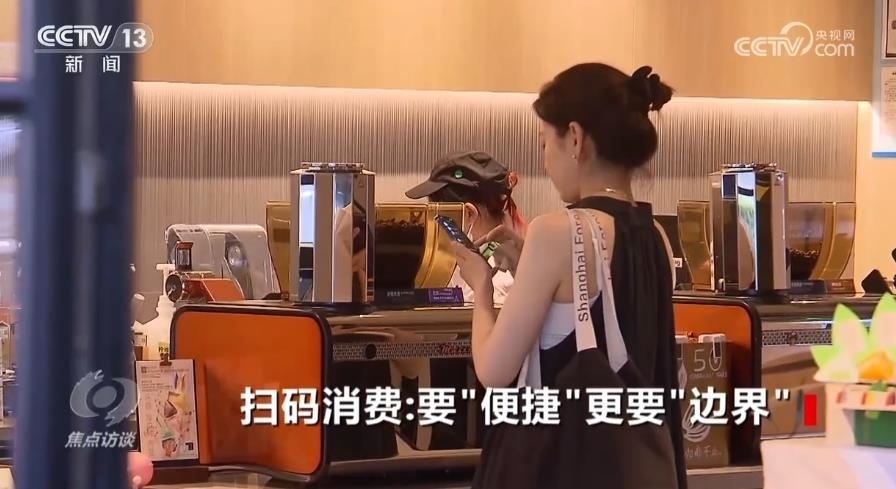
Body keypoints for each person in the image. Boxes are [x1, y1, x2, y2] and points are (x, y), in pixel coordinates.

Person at [452, 63, 687, 488]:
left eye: (545, 142)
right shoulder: (655, 235)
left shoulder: (557, 230)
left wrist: (481, 288)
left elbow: (493, 370)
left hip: (563, 467)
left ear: (575, 139)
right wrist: (526, 266)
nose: (545, 159)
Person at [405, 151, 527, 305]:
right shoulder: (482, 261)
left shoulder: (499, 283)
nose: (431, 226)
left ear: (469, 214)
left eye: (436, 216)